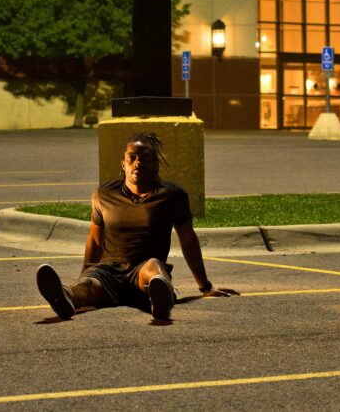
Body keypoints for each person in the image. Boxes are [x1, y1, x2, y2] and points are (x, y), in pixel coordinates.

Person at [36, 131, 237, 321]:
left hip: (142, 271)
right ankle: (65, 296)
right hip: (108, 272)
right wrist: (86, 273)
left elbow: (188, 239)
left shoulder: (172, 196)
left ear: (155, 164)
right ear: (123, 164)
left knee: (154, 267)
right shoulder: (104, 194)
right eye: (132, 157)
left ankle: (162, 296)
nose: (138, 163)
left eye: (145, 157)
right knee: (87, 284)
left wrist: (204, 286)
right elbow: (95, 239)